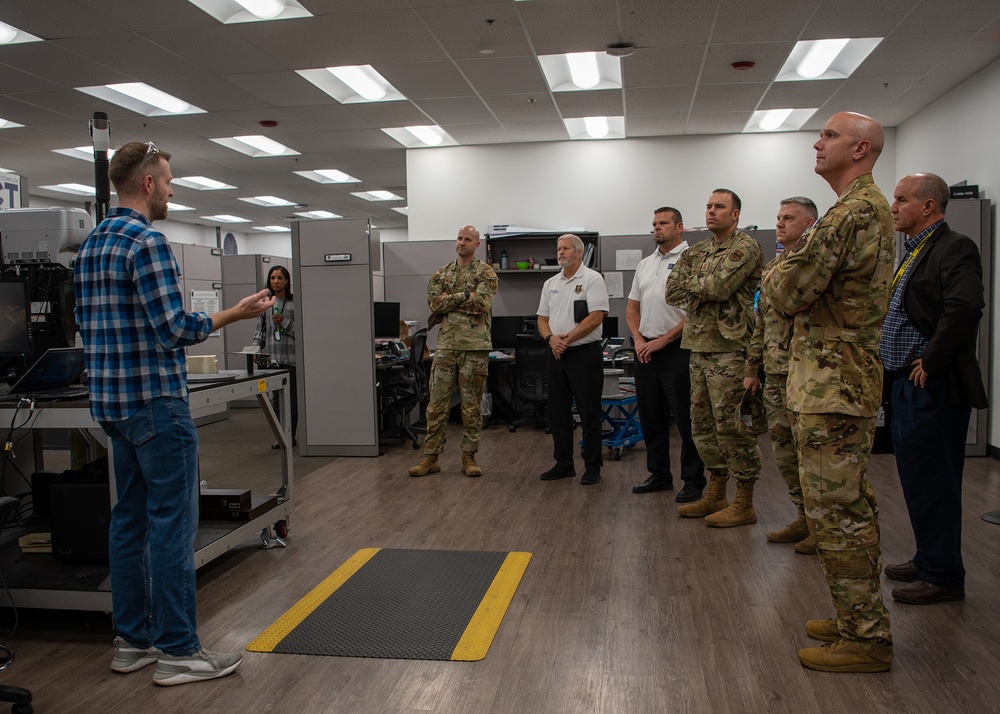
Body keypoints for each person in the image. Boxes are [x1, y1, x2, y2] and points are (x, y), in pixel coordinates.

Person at [74, 141, 275, 686]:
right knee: (170, 526)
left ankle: (132, 641)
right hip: (157, 406)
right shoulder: (147, 243)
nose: (171, 189)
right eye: (166, 180)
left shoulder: (91, 245)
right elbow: (174, 330)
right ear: (146, 184)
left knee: (128, 521)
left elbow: (87, 329)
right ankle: (179, 650)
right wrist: (235, 313)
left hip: (112, 407)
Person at [763, 112, 895, 672]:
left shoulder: (853, 212)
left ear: (861, 149)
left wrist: (779, 270)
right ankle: (854, 618)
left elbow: (787, 291)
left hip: (832, 382)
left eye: (830, 136)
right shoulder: (861, 210)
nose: (818, 143)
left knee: (837, 511)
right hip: (834, 378)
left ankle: (866, 639)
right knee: (847, 505)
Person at [880, 172, 987, 605]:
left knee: (936, 480)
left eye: (902, 199)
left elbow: (965, 306)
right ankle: (928, 558)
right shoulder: (913, 250)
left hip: (933, 383)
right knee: (917, 478)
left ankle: (944, 575)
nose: (893, 207)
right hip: (905, 382)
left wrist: (934, 358)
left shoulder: (955, 246)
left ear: (928, 206)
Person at [665, 189, 763, 527]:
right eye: (708, 206)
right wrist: (702, 286)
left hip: (731, 350)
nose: (711, 211)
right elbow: (671, 291)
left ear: (735, 214)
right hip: (698, 348)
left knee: (730, 428)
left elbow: (721, 287)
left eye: (719, 206)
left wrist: (696, 285)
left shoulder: (746, 247)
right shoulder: (696, 250)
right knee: (701, 428)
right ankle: (717, 493)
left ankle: (745, 502)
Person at [745, 197, 818, 553]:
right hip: (774, 374)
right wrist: (752, 370)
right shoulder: (774, 266)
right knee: (785, 452)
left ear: (808, 223)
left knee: (810, 454)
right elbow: (760, 323)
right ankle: (804, 517)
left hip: (805, 375)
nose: (779, 223)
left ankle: (822, 526)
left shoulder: (813, 264)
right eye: (778, 217)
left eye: (788, 218)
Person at [626, 207, 705, 502]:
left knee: (686, 419)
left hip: (678, 349)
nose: (657, 228)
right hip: (645, 349)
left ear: (679, 227)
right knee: (651, 416)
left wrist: (664, 340)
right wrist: (638, 338)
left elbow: (696, 311)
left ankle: (693, 480)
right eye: (654, 224)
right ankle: (659, 474)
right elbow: (633, 307)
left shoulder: (693, 259)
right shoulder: (645, 264)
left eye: (663, 223)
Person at [408, 225, 498, 478]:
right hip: (446, 346)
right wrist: (466, 294)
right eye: (459, 238)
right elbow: (433, 303)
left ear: (477, 245)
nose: (461, 243)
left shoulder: (486, 272)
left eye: (467, 239)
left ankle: (469, 457)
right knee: (436, 405)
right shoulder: (441, 273)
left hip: (474, 347)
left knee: (471, 407)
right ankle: (431, 458)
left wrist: (452, 299)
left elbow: (482, 303)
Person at [537, 234, 610, 485]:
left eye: (566, 248)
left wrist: (565, 339)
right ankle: (564, 463)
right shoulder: (550, 283)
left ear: (579, 253)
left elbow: (596, 317)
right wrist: (551, 340)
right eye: (558, 248)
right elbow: (542, 319)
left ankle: (592, 466)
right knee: (558, 413)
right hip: (556, 353)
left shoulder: (592, 278)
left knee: (589, 412)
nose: (560, 252)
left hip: (583, 354)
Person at [252, 265, 297, 449]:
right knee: (275, 401)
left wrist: (284, 322)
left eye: (280, 278)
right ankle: (280, 435)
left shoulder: (295, 303)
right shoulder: (265, 304)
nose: (276, 282)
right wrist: (255, 348)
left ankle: (290, 435)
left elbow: (303, 331)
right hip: (272, 359)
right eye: (272, 278)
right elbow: (259, 332)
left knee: (292, 400)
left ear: (287, 281)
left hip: (292, 359)